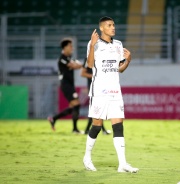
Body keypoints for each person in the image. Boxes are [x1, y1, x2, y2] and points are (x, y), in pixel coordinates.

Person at [83, 16, 138, 173]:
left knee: (118, 126)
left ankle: (122, 164)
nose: (113, 27)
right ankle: (87, 157)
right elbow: (89, 64)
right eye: (109, 25)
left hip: (115, 91)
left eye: (114, 24)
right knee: (97, 126)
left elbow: (120, 69)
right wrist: (93, 45)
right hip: (99, 91)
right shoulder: (94, 44)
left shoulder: (119, 45)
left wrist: (128, 60)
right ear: (102, 28)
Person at [48, 38, 83, 134]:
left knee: (73, 107)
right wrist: (77, 64)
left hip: (70, 85)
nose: (72, 48)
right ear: (65, 47)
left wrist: (77, 64)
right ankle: (75, 129)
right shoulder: (62, 58)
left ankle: (54, 119)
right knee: (76, 105)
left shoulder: (68, 58)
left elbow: (78, 65)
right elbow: (76, 66)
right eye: (70, 46)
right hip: (66, 85)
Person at [80, 58, 111, 135]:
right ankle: (101, 130)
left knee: (97, 109)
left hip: (100, 87)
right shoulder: (88, 58)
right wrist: (95, 76)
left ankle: (89, 130)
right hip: (93, 87)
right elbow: (83, 73)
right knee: (96, 109)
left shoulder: (101, 56)